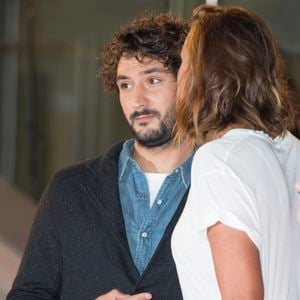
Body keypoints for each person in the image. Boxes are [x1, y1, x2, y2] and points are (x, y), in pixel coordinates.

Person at [7, 12, 194, 300]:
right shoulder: (70, 189)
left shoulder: (218, 184)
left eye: (153, 81)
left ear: (189, 85)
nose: (137, 99)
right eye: (125, 85)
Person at [171, 4, 300, 300]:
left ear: (204, 76)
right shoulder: (294, 151)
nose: (178, 77)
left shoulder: (220, 160)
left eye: (183, 63)